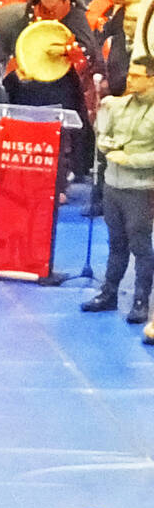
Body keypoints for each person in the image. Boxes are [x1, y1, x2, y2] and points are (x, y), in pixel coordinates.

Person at [87, 56, 154, 325]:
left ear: (151, 79)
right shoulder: (119, 104)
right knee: (116, 244)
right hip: (113, 184)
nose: (129, 79)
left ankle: (141, 301)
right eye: (130, 74)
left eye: (137, 76)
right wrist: (105, 135)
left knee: (140, 246)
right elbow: (102, 134)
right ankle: (109, 293)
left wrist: (133, 159)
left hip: (141, 187)